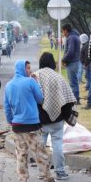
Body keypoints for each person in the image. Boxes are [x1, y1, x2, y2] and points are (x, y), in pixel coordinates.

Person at [4, 60, 54, 182]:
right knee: (40, 153)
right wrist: (36, 83)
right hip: (31, 125)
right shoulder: (30, 82)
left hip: (17, 126)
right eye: (27, 68)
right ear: (22, 69)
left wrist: (11, 121)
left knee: (21, 154)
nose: (30, 71)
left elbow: (7, 107)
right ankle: (47, 177)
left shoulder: (9, 85)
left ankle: (22, 178)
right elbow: (40, 99)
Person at [33, 52, 76, 180]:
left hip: (40, 120)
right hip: (57, 120)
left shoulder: (35, 76)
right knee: (57, 145)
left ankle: (43, 173)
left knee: (40, 147)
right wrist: (67, 116)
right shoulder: (59, 77)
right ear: (53, 63)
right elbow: (68, 99)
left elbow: (30, 99)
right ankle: (60, 172)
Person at [61, 23, 81, 104]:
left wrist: (64, 59)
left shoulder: (71, 37)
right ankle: (76, 98)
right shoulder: (74, 36)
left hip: (72, 62)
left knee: (73, 82)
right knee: (74, 81)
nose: (63, 33)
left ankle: (75, 99)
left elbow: (70, 51)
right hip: (75, 61)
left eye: (63, 31)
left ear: (66, 30)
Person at [80, 34, 91, 109]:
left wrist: (86, 64)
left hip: (88, 64)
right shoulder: (86, 44)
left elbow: (88, 55)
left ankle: (89, 102)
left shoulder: (86, 45)